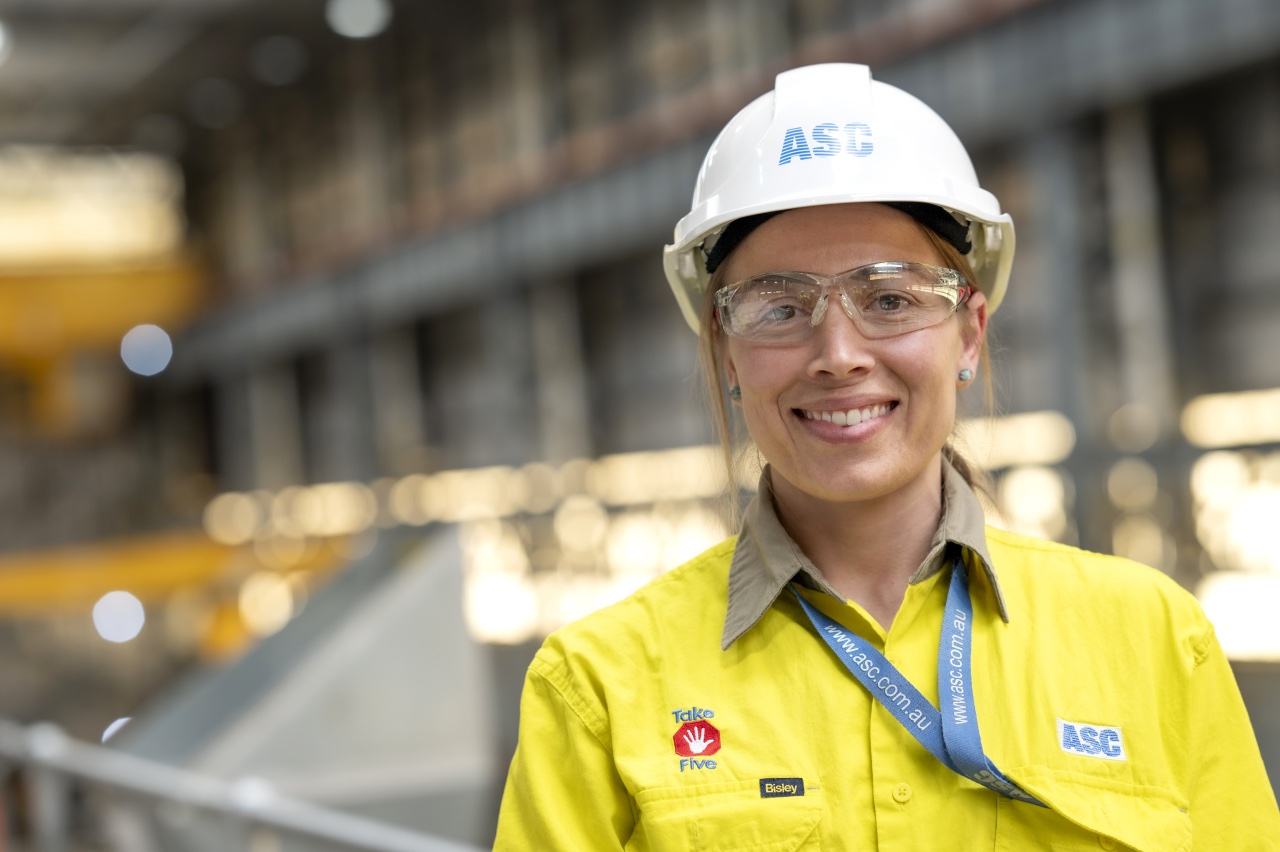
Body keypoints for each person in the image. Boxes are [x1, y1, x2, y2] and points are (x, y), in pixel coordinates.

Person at [494, 63, 1280, 850]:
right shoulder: (599, 686)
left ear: (968, 334)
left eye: (890, 299)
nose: (838, 354)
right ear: (725, 353)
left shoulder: (1149, 639)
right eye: (779, 307)